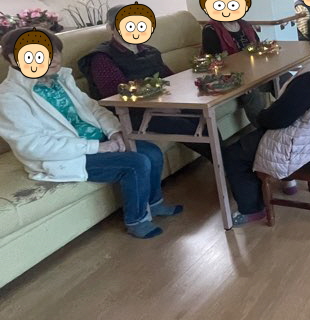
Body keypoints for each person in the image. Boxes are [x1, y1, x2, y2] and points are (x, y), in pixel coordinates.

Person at [0, 27, 182, 238]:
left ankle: (154, 203)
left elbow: (93, 108)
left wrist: (114, 132)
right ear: (13, 59)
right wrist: (97, 147)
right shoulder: (9, 97)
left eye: (55, 51)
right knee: (136, 163)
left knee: (152, 152)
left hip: (97, 140)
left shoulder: (60, 79)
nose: (54, 59)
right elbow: (33, 146)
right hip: (63, 156)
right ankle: (136, 220)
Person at [222, 9, 310, 225]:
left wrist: (262, 117)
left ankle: (252, 209)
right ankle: (288, 183)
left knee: (233, 153)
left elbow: (277, 120)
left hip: (307, 143)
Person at [78, 4, 215, 159]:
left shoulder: (149, 51)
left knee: (204, 116)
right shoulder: (102, 58)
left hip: (163, 104)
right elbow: (117, 96)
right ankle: (226, 165)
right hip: (132, 114)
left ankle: (225, 165)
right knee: (185, 126)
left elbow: (171, 79)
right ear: (111, 28)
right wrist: (160, 108)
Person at [199, 0, 266, 122]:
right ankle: (264, 128)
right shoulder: (210, 30)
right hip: (227, 76)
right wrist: (243, 80)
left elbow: (257, 47)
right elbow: (216, 61)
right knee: (251, 92)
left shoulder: (245, 25)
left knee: (283, 78)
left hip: (252, 72)